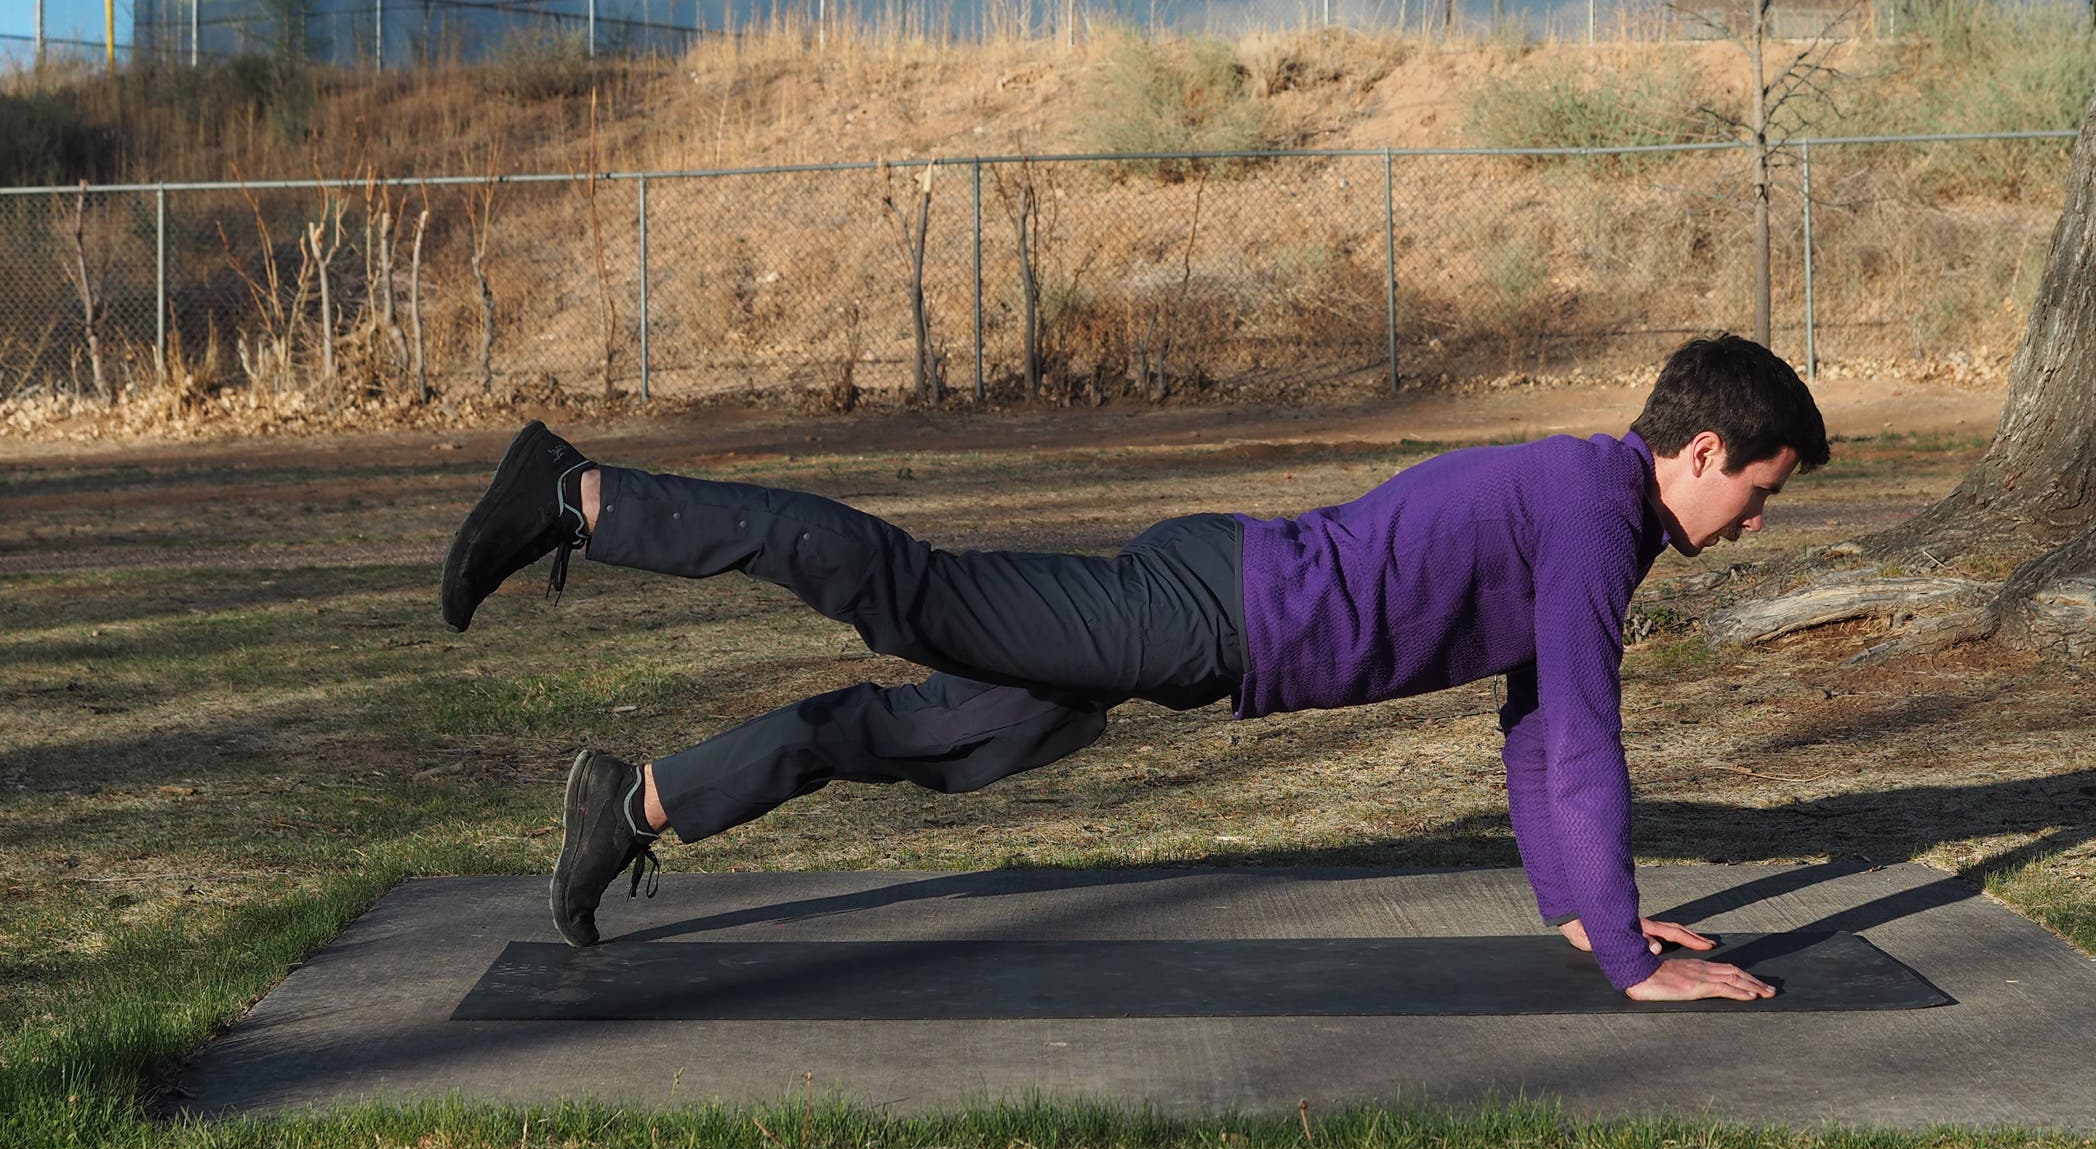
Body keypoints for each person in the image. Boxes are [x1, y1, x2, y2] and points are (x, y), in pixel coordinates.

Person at [439, 332, 1829, 1003]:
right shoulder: (1596, 510)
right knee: (905, 589)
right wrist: (1636, 960)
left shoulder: (1604, 508)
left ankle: (634, 806)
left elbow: (1532, 720)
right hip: (1202, 614)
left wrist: (1586, 913)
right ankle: (579, 497)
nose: (1755, 519)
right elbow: (1585, 735)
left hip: (1208, 618)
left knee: (935, 736)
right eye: (1760, 489)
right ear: (1701, 451)